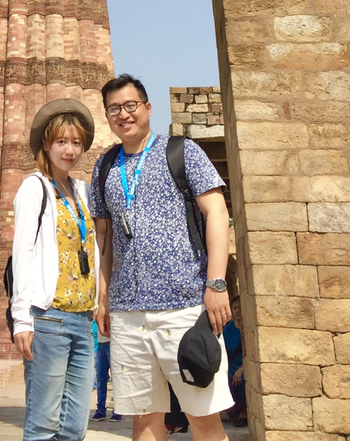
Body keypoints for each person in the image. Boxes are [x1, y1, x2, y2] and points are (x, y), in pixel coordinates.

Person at [91, 74, 233, 441]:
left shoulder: (181, 152)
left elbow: (217, 212)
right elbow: (103, 238)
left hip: (184, 309)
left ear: (147, 108)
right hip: (128, 314)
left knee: (202, 417)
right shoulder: (104, 167)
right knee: (144, 420)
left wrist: (216, 284)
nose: (123, 114)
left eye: (130, 105)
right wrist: (103, 297)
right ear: (107, 116)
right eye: (114, 109)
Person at [11, 97, 100, 441]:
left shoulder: (83, 192)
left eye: (77, 142)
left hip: (82, 319)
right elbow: (23, 255)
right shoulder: (35, 188)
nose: (70, 150)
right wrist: (22, 319)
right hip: (48, 318)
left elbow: (96, 249)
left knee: (75, 427)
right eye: (62, 141)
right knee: (44, 422)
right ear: (46, 144)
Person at [223, 296, 247, 425]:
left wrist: (241, 369)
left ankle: (243, 411)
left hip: (243, 366)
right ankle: (233, 410)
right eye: (235, 308)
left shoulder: (249, 328)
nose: (237, 310)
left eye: (240, 307)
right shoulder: (229, 328)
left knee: (242, 379)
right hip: (230, 366)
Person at [93, 323, 122, 422]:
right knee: (100, 378)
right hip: (101, 344)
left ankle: (118, 411)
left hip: (112, 342)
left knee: (116, 378)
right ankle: (100, 410)